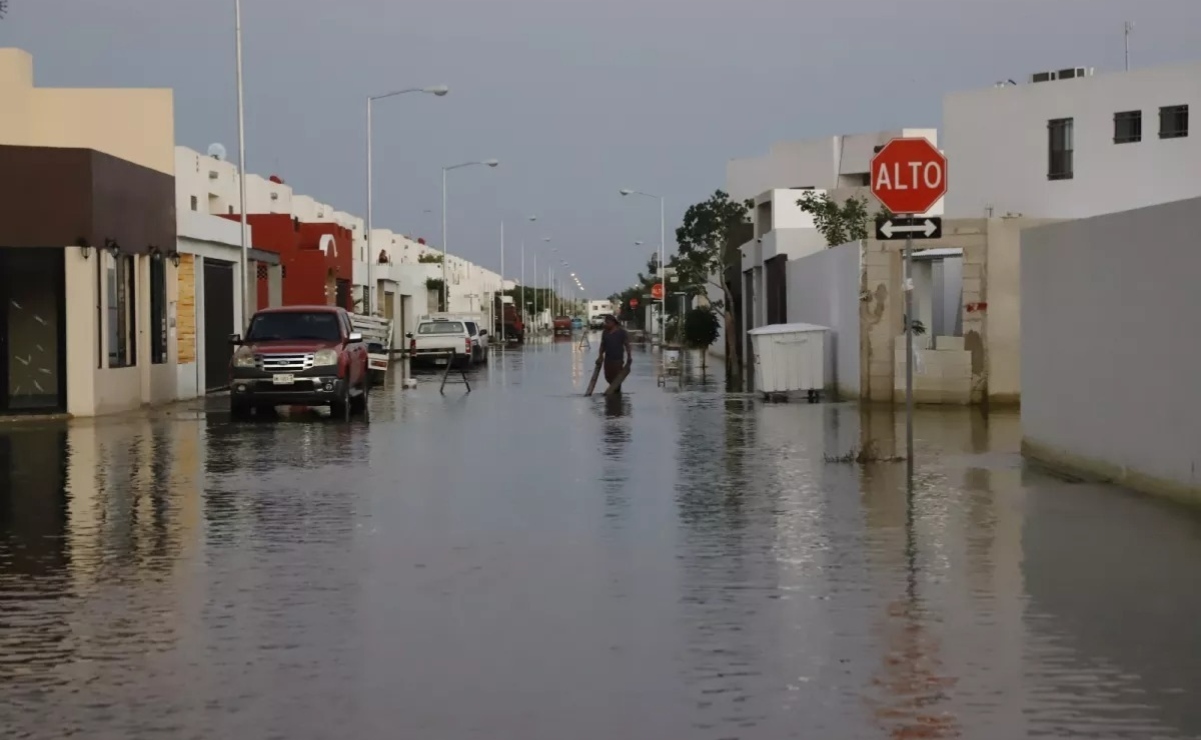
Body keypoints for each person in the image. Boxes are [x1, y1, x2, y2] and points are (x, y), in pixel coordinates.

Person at [596, 314, 632, 387]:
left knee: (617, 378)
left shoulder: (621, 332)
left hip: (618, 360)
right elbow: (602, 345)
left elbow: (627, 345)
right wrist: (600, 356)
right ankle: (612, 390)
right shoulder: (605, 333)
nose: (606, 324)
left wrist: (629, 356)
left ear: (613, 322)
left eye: (607, 322)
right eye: (605, 322)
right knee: (608, 376)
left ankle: (616, 392)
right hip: (608, 360)